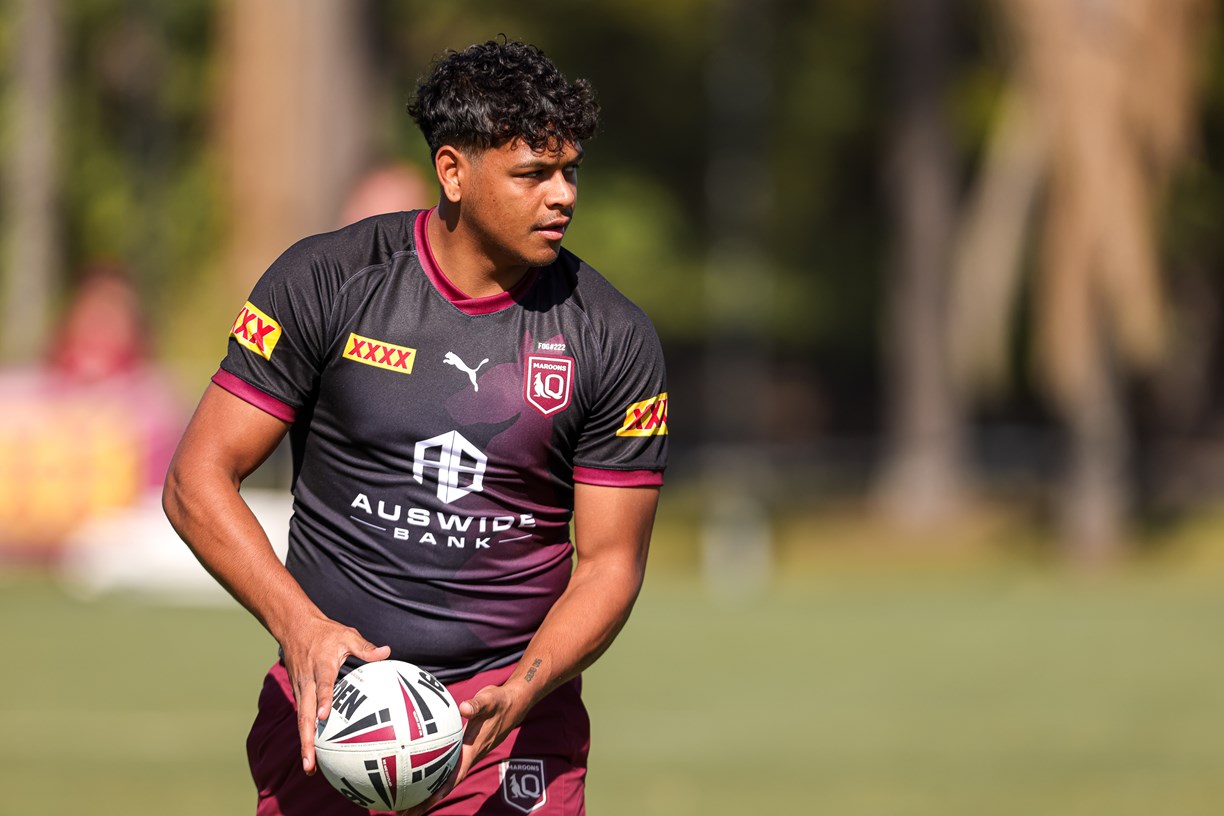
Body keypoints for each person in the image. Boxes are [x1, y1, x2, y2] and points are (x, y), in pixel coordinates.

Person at [163, 39, 669, 816]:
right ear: (453, 172)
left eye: (571, 171)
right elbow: (196, 479)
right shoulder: (328, 281)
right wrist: (300, 628)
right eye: (533, 174)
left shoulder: (611, 335)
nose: (563, 196)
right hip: (334, 708)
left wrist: (522, 690)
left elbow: (610, 563)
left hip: (508, 725)